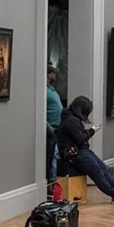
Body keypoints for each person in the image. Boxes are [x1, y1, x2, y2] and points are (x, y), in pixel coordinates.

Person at [56, 96, 114, 202]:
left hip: (80, 150)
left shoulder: (70, 119)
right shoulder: (71, 121)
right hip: (75, 153)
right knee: (97, 171)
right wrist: (92, 131)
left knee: (103, 168)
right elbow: (80, 138)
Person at [46, 64, 63, 192]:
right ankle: (50, 185)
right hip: (51, 129)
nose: (55, 75)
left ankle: (53, 183)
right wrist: (49, 128)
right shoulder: (44, 91)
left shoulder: (51, 89)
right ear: (49, 75)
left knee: (55, 157)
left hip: (58, 128)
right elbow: (41, 112)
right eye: (53, 73)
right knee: (51, 159)